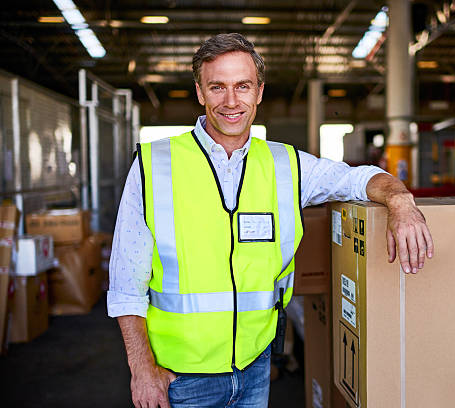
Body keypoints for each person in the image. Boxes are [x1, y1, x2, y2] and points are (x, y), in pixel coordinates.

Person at [108, 33, 433, 408]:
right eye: (218, 87)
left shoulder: (288, 165)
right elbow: (124, 284)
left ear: (259, 92)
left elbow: (357, 179)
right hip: (179, 378)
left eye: (243, 86)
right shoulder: (154, 165)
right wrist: (142, 369)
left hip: (256, 368)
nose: (232, 102)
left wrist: (401, 200)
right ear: (200, 92)